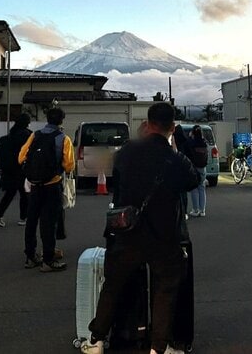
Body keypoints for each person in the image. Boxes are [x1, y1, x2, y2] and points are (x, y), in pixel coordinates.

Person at [81, 102, 201, 354]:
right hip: (164, 236)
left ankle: (96, 340)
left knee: (113, 285)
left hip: (126, 231)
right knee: (164, 289)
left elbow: (119, 179)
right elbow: (193, 180)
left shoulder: (126, 152)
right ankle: (159, 347)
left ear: (147, 123)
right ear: (172, 126)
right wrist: (175, 145)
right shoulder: (174, 158)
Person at [18, 108, 74, 273]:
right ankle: (48, 260)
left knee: (32, 220)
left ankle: (30, 256)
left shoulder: (35, 135)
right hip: (52, 184)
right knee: (48, 223)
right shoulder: (63, 138)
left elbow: (21, 157)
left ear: (47, 119)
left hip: (35, 184)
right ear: (61, 121)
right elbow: (69, 165)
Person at [0, 113, 32, 228]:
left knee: (9, 193)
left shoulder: (10, 135)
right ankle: (23, 218)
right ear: (26, 123)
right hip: (22, 169)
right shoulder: (27, 135)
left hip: (8, 170)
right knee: (24, 194)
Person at [188, 125, 208, 218]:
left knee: (194, 189)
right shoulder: (204, 142)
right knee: (202, 188)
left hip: (194, 167)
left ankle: (195, 210)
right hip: (203, 167)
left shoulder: (191, 142)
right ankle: (202, 210)